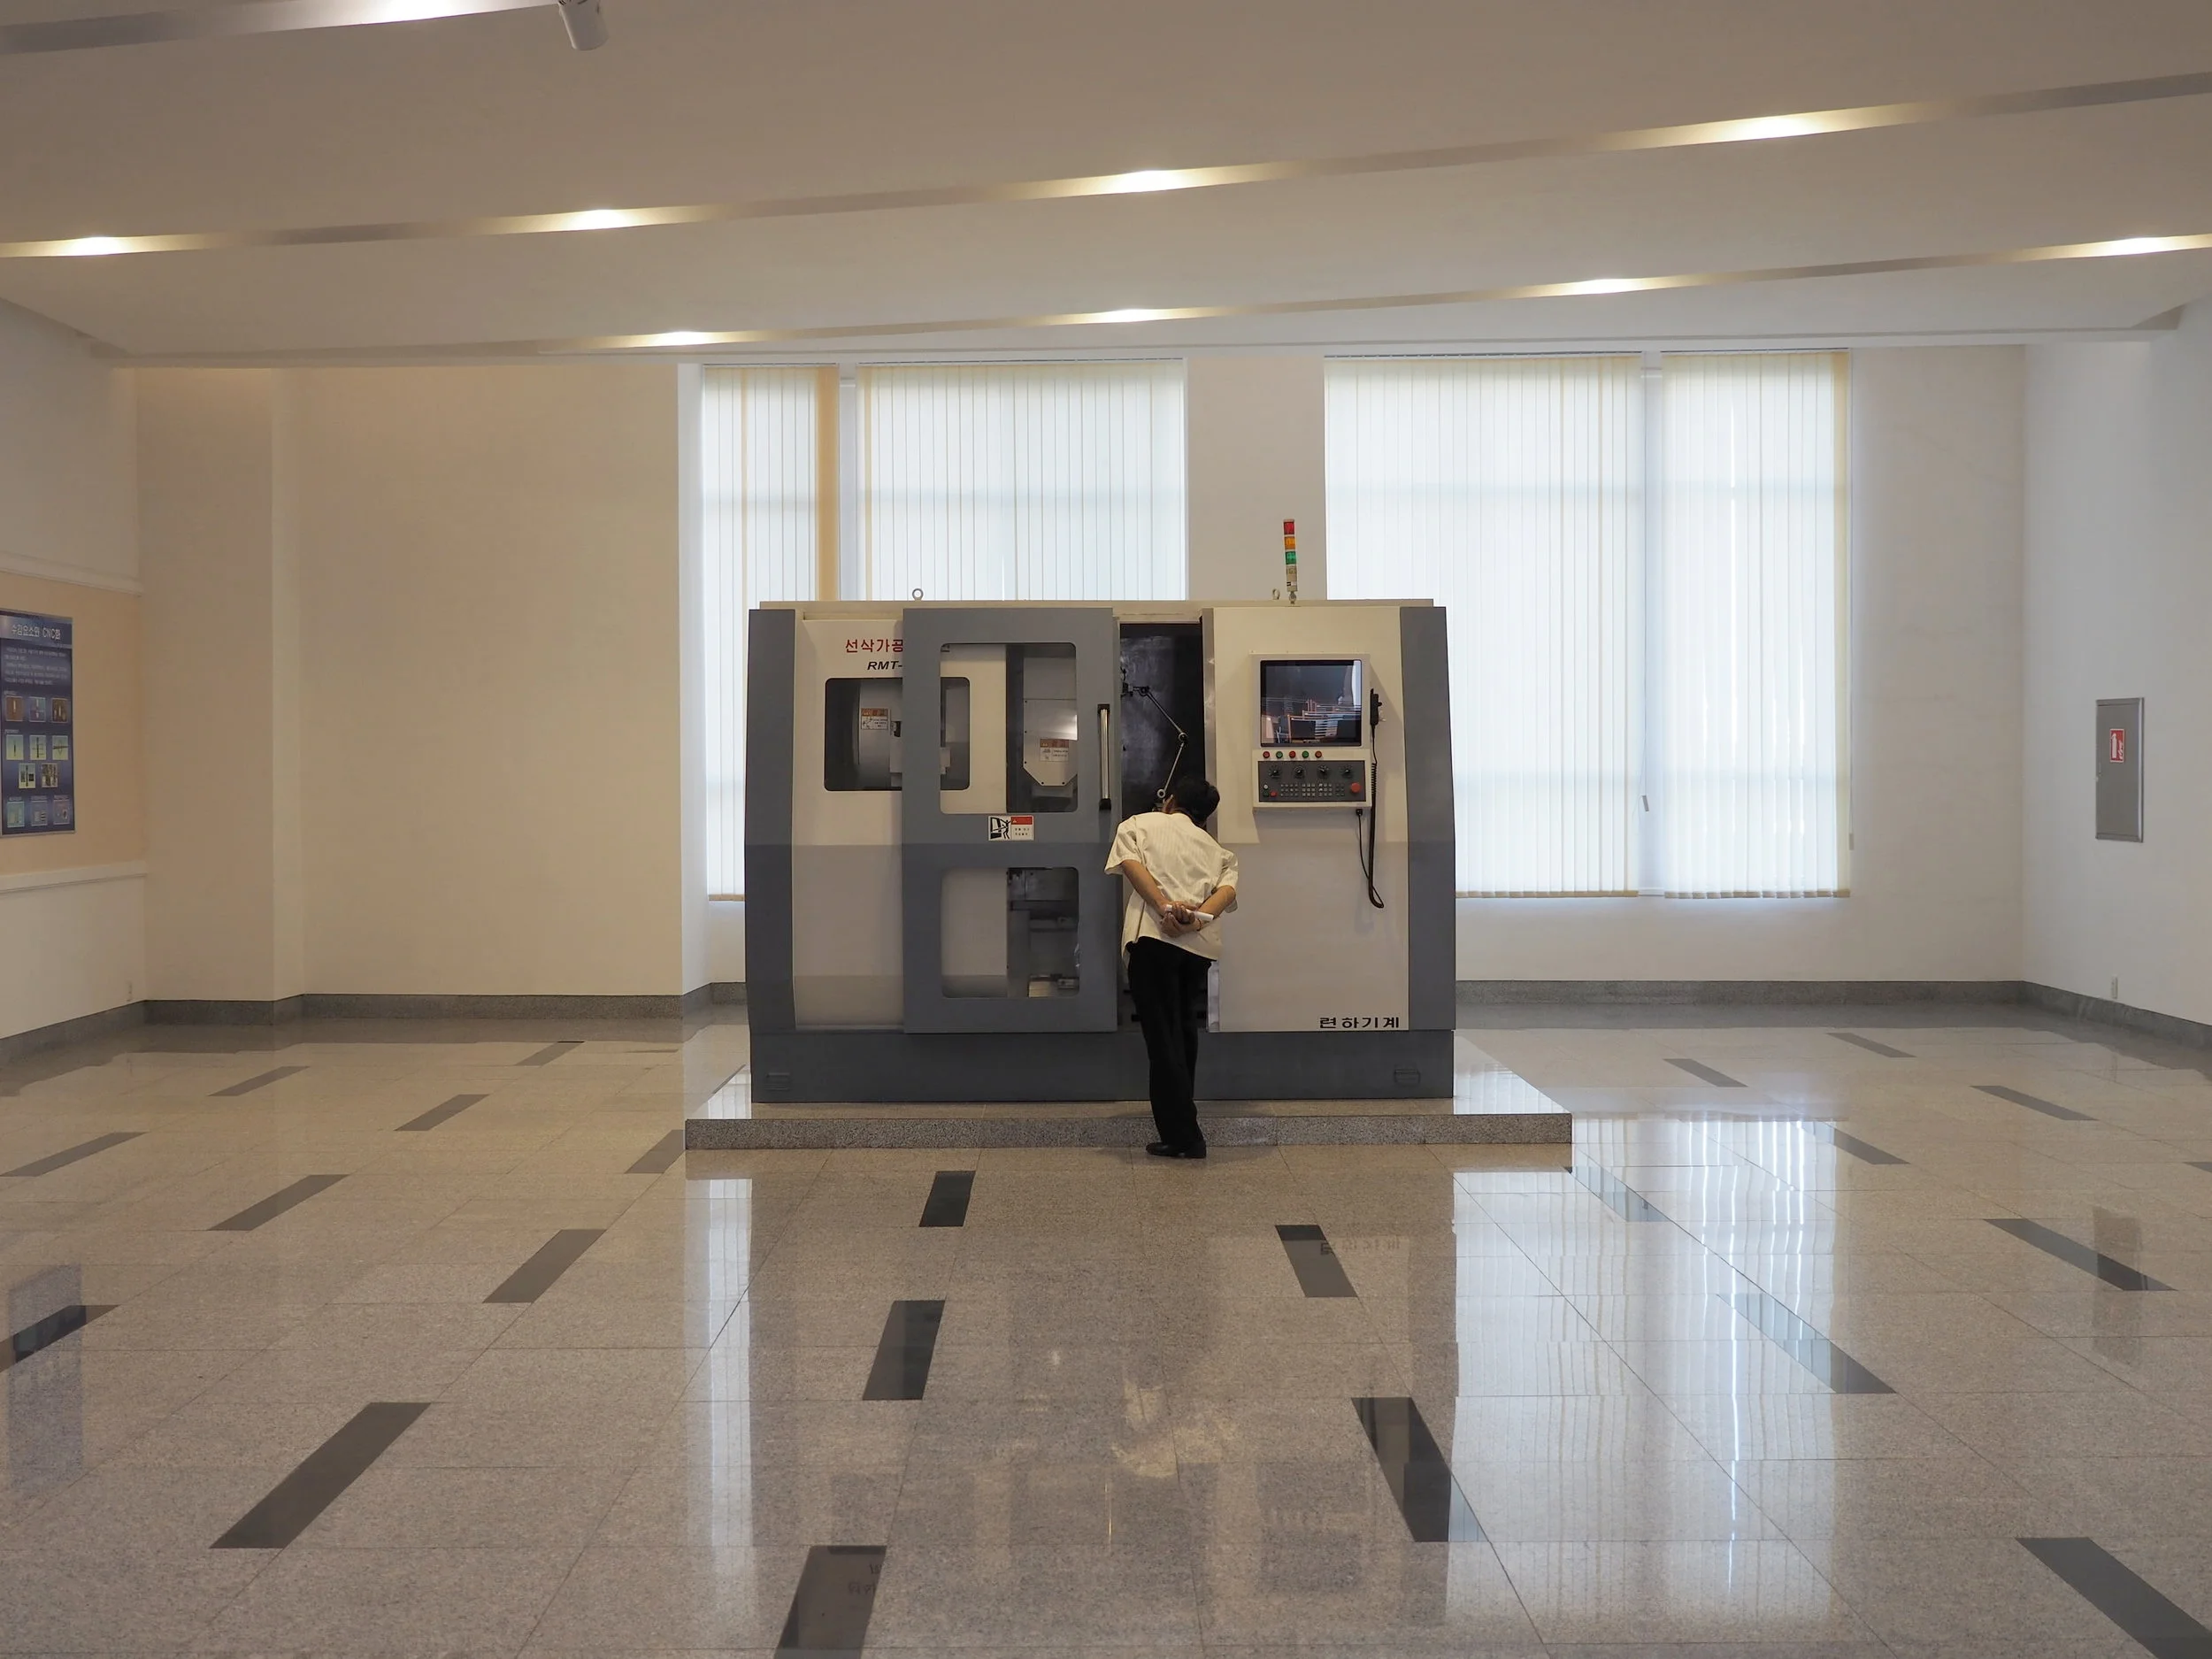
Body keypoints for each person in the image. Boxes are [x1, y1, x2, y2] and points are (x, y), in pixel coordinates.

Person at [1107, 776, 1238, 1160]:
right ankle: (1184, 1128)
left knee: (1162, 1040)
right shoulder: (1218, 851)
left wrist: (1166, 908)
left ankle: (1184, 1135)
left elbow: (1132, 867)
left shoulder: (1137, 825)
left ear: (1171, 801)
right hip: (1195, 950)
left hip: (1154, 942)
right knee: (1184, 1033)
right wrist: (1193, 921)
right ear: (1204, 816)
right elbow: (1226, 893)